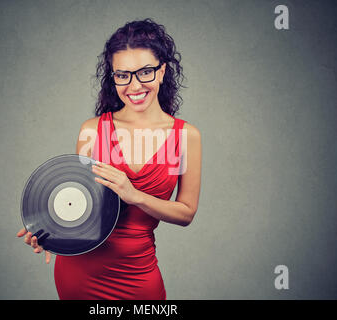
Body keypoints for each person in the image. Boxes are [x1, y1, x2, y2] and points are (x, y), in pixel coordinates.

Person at [17, 18, 202, 299]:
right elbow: (78, 205)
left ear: (162, 72)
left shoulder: (186, 136)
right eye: (123, 75)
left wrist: (135, 195)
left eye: (146, 72)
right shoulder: (92, 131)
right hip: (80, 275)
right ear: (113, 78)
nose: (134, 85)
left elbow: (186, 212)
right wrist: (49, 232)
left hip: (138, 275)